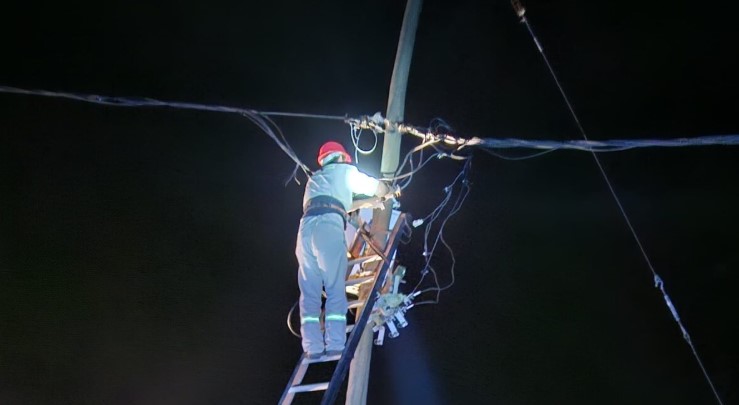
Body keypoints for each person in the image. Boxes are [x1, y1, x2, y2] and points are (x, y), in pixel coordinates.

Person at [296, 141, 390, 358]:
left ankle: (312, 347)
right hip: (328, 227)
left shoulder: (315, 180)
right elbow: (378, 188)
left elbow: (341, 204)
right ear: (341, 157)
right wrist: (387, 190)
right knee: (334, 287)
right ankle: (336, 343)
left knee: (309, 292)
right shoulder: (347, 172)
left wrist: (368, 203)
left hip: (306, 229)